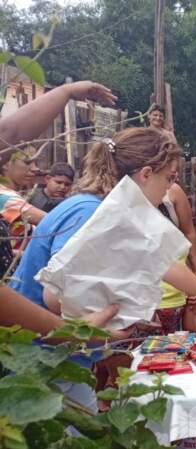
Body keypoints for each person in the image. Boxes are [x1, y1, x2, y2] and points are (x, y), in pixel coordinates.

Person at [11, 127, 196, 317]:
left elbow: (160, 261)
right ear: (146, 174)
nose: (169, 187)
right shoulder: (92, 213)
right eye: (169, 178)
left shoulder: (114, 212)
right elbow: (56, 294)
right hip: (42, 354)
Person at [0, 80, 120, 329]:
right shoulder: (86, 209)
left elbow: (9, 135)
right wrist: (76, 334)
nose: (35, 168)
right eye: (27, 161)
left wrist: (66, 92)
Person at [155, 181, 196, 334]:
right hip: (142, 299)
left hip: (173, 293)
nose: (172, 175)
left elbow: (189, 232)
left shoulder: (173, 191)